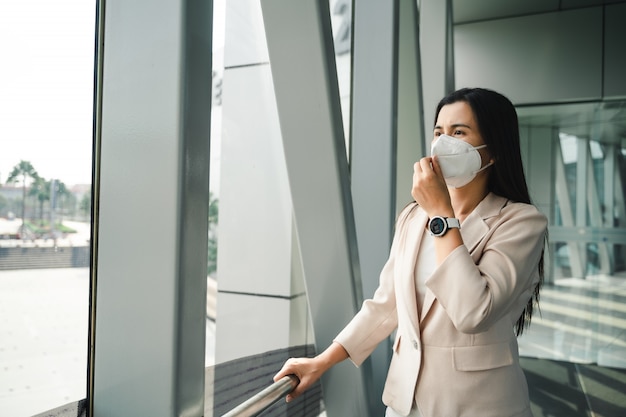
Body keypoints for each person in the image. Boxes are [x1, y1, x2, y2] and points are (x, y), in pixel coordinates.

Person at [273, 87, 548, 417]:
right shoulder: (413, 217)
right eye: (438, 132)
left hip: (480, 406)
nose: (443, 143)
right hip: (406, 405)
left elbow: (473, 311)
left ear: (495, 150)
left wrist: (442, 215)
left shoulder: (521, 221)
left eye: (459, 132)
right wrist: (322, 361)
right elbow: (386, 304)